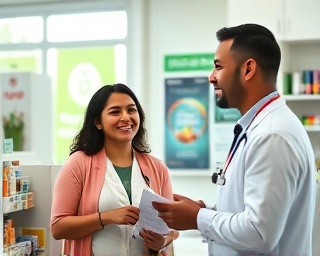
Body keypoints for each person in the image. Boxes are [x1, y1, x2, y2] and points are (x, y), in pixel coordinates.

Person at [153, 24, 317, 255]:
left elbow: (260, 234)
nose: (211, 77)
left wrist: (198, 218)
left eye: (218, 67)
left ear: (248, 69)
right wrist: (205, 211)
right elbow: (252, 215)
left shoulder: (272, 135)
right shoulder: (259, 126)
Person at [50, 83, 179, 256]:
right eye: (115, 112)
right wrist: (106, 217)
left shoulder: (157, 168)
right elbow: (58, 227)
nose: (125, 117)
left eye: (131, 110)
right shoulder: (79, 163)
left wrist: (163, 241)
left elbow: (171, 228)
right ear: (98, 122)